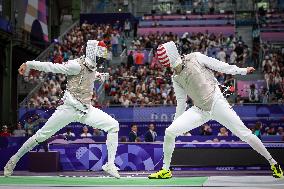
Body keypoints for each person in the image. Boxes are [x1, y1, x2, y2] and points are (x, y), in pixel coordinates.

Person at [149, 41, 283, 179]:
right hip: (200, 110)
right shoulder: (175, 77)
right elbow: (181, 103)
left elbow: (220, 66)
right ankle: (166, 169)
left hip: (216, 102)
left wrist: (242, 71)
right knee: (170, 132)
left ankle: (273, 163)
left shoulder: (195, 57)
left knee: (245, 135)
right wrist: (176, 123)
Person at [4, 40, 120, 178]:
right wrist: (29, 64)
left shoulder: (92, 67)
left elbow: (89, 75)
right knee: (41, 136)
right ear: (92, 52)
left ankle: (110, 164)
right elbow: (51, 66)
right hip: (68, 110)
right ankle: (13, 161)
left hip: (86, 111)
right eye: (100, 54)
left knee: (113, 126)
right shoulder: (75, 65)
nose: (101, 58)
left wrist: (99, 76)